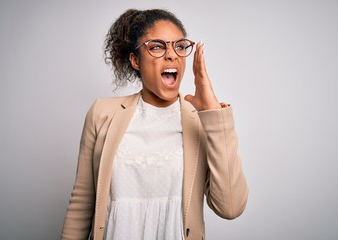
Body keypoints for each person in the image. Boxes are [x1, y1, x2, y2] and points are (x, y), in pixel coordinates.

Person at [61, 8, 248, 240]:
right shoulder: (102, 113)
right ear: (135, 60)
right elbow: (82, 202)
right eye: (158, 46)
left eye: (179, 46)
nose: (172, 55)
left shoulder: (201, 120)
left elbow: (230, 207)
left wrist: (212, 111)